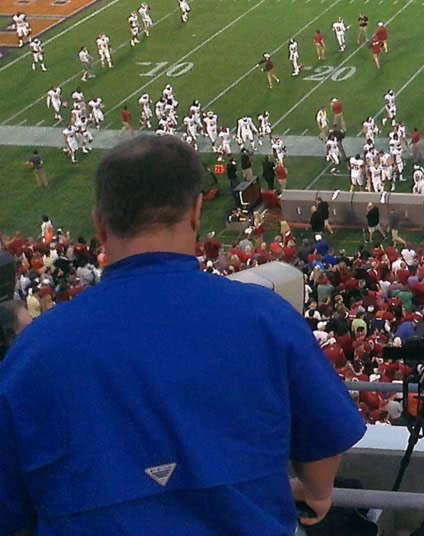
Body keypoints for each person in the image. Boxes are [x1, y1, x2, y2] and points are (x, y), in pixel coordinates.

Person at [0, 136, 364, 534]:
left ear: (100, 224)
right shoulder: (264, 317)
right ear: (195, 212)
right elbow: (324, 443)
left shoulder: (35, 348)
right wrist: (317, 492)